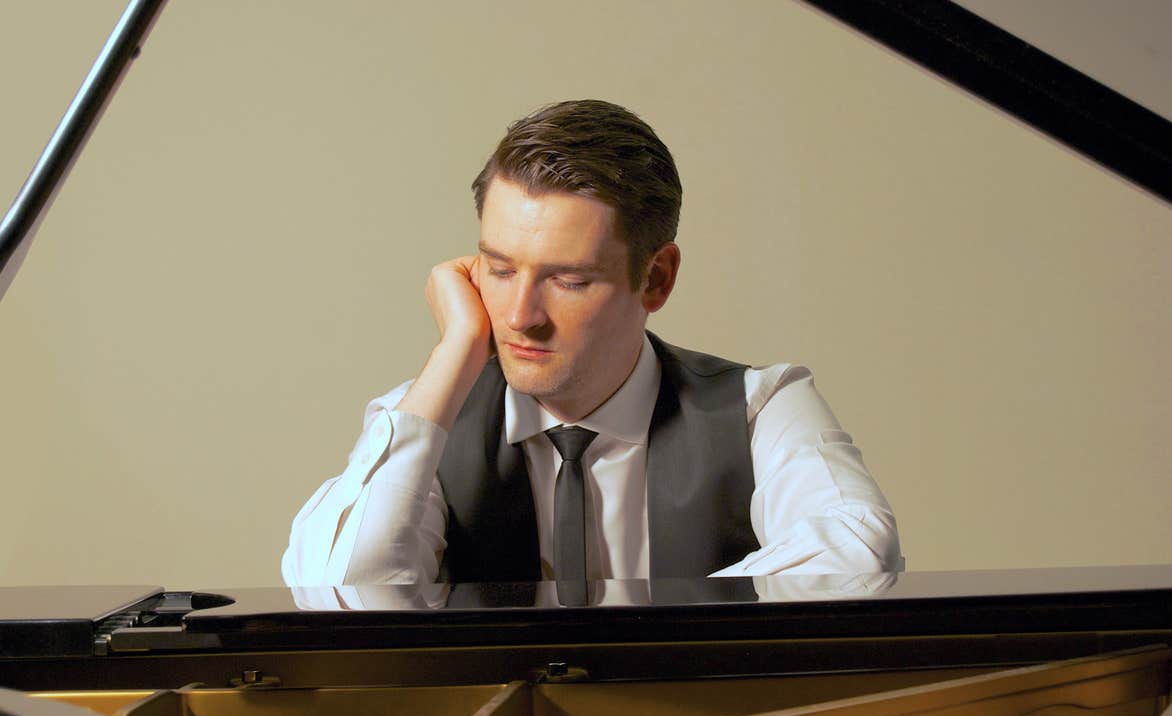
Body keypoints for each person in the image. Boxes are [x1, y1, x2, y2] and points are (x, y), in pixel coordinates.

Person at [282, 100, 900, 587]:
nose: (519, 316)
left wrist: (629, 630)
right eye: (499, 269)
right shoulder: (425, 420)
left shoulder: (760, 406)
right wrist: (455, 352)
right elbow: (335, 590)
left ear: (655, 278)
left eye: (569, 280)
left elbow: (860, 555)